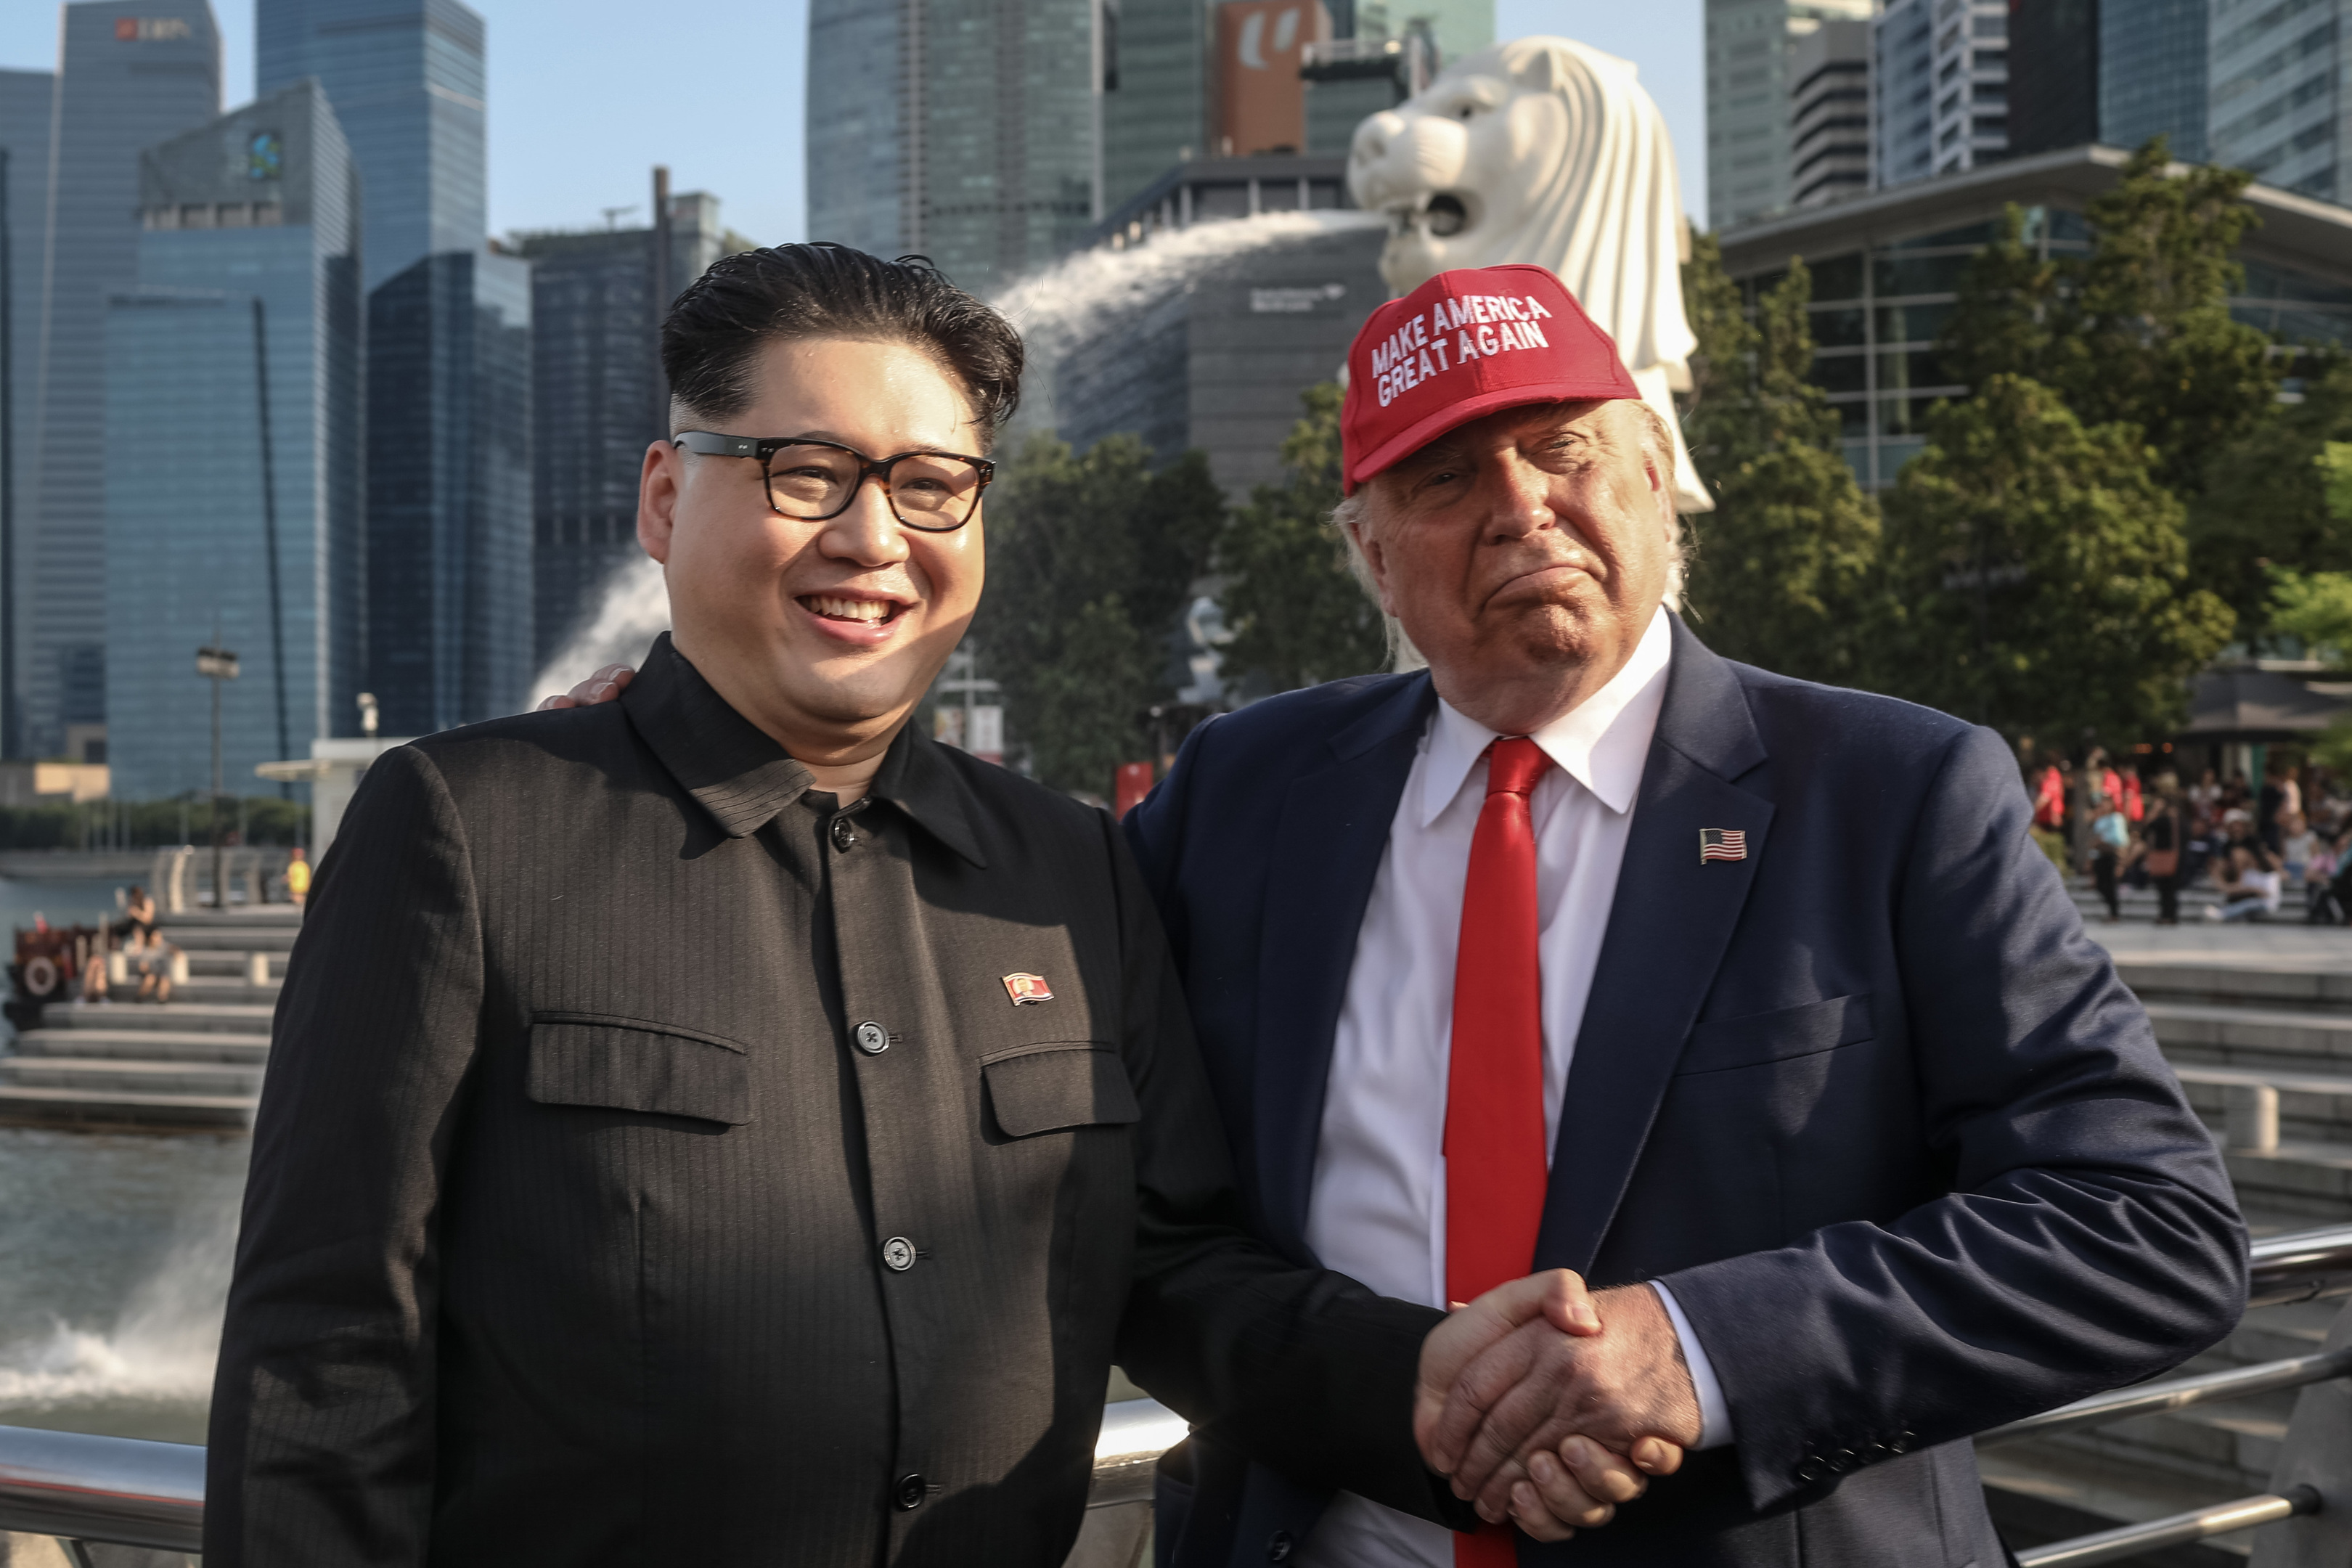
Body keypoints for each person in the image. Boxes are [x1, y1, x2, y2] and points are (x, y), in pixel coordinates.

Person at [205, 246, 1654, 1568]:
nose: (871, 535)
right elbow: (325, 1361)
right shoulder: (470, 831)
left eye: (928, 484)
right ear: (663, 497)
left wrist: (1425, 1379)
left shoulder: (1072, 870)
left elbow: (1176, 1264)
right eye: (804, 470)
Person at [1122, 264, 2243, 1564]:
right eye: (1445, 479)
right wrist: (1390, 1385)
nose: (1522, 506)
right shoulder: (1243, 793)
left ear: (1658, 480)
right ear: (1370, 554)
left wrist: (1698, 1350)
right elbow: (1141, 1224)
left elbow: (2147, 1227)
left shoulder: (1892, 792)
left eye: (1563, 450)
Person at [2208, 843, 2284, 922]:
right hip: (2252, 900)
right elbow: (2242, 888)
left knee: (2248, 903)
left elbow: (2268, 894)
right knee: (2242, 901)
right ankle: (2223, 912)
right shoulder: (2249, 873)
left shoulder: (2272, 876)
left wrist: (2253, 890)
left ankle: (2222, 915)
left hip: (2267, 904)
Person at [2144, 781, 2184, 926]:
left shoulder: (2164, 819)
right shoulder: (2177, 819)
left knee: (2166, 889)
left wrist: (2154, 811)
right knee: (2168, 889)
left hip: (2167, 858)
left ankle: (2168, 915)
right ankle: (2169, 915)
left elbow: (2148, 825)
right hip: (2174, 857)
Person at [2091, 791, 2128, 921]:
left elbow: (2120, 839)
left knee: (2111, 885)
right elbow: (2094, 841)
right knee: (2101, 885)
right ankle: (2111, 910)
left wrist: (2103, 839)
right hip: (2100, 856)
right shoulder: (2100, 820)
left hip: (2112, 855)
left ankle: (2114, 913)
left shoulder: (2116, 818)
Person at [282, 846, 310, 911]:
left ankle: (302, 907)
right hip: (303, 884)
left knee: (296, 897)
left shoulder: (294, 865)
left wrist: (286, 879)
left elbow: (291, 875)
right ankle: (302, 906)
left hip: (296, 885)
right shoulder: (304, 865)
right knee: (298, 896)